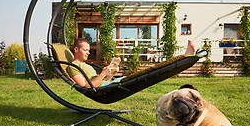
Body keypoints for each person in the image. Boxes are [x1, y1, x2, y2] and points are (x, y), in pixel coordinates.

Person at [67, 38, 196, 88]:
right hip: (106, 90)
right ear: (76, 49)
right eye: (85, 50)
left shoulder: (87, 65)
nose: (88, 53)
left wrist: (110, 74)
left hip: (109, 84)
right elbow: (87, 87)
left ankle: (185, 57)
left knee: (149, 73)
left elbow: (103, 81)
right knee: (148, 74)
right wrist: (102, 75)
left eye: (89, 50)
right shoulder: (73, 67)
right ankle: (185, 56)